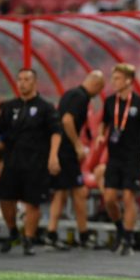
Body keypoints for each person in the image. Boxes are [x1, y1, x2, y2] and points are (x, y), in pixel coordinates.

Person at [0, 68, 62, 256]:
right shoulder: (10, 106)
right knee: (5, 199)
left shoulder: (45, 107)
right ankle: (14, 232)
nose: (22, 83)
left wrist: (53, 156)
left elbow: (56, 133)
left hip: (36, 163)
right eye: (20, 79)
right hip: (12, 162)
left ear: (34, 82)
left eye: (26, 79)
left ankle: (29, 239)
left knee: (33, 203)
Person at [95, 63, 140, 256]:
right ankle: (120, 229)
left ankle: (128, 238)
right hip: (115, 156)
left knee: (129, 197)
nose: (113, 82)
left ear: (128, 80)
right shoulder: (110, 101)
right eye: (113, 78)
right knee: (110, 198)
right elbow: (104, 123)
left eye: (117, 78)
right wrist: (100, 135)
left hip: (133, 157)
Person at [45, 70, 104, 250]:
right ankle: (83, 235)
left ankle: (52, 233)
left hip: (63, 149)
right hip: (66, 151)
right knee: (79, 192)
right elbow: (67, 120)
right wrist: (78, 145)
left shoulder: (71, 94)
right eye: (100, 88)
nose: (98, 93)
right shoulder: (80, 97)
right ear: (95, 85)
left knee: (62, 193)